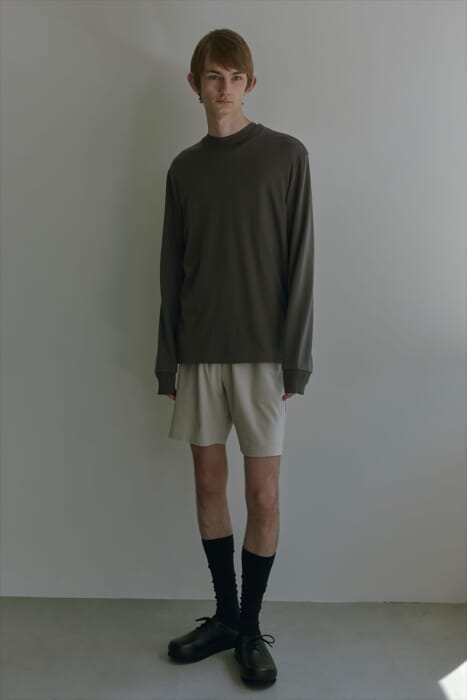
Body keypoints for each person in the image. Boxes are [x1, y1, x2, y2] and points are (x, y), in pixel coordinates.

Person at [154, 27, 314, 685]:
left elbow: (300, 262)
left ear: (250, 84)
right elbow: (171, 270)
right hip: (198, 353)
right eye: (213, 78)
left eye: (235, 78)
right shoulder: (184, 169)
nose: (224, 89)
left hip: (262, 357)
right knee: (208, 483)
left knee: (263, 493)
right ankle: (224, 616)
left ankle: (250, 629)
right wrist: (167, 359)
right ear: (194, 84)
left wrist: (296, 357)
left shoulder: (285, 156)